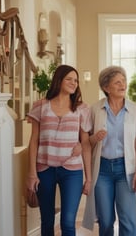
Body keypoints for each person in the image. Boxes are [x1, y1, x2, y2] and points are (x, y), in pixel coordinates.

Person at [26, 64, 92, 236]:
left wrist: (89, 178)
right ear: (59, 80)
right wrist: (32, 173)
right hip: (44, 169)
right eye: (69, 79)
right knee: (47, 221)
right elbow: (33, 141)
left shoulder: (82, 108)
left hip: (72, 171)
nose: (74, 83)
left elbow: (85, 144)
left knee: (68, 222)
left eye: (76, 80)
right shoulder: (40, 105)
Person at [82, 65, 136, 236]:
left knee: (128, 221)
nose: (122, 85)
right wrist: (95, 138)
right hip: (102, 170)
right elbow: (86, 143)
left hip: (127, 170)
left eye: (124, 81)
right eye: (117, 82)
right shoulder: (95, 109)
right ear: (106, 87)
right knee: (105, 221)